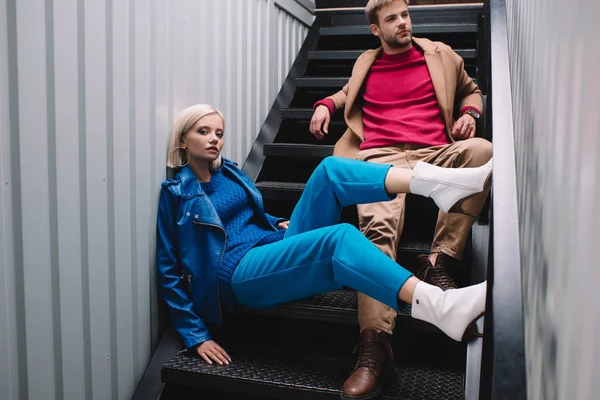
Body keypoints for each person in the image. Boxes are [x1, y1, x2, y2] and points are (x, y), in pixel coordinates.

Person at [156, 104, 491, 388]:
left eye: (218, 132)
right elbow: (169, 271)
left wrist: (276, 223)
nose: (214, 139)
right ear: (183, 139)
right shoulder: (176, 195)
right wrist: (196, 335)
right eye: (203, 132)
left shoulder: (228, 172)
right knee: (340, 238)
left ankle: (435, 184)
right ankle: (437, 304)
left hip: (274, 245)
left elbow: (246, 217)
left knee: (329, 170)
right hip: (237, 274)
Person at [308, 0, 492, 397]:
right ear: (376, 29)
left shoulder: (440, 55)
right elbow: (345, 92)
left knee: (483, 152)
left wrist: (470, 114)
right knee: (376, 228)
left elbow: (471, 91)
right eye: (392, 19)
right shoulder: (365, 62)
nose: (403, 23)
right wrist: (325, 105)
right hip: (381, 158)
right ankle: (375, 344)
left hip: (435, 150)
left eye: (405, 15)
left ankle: (439, 259)